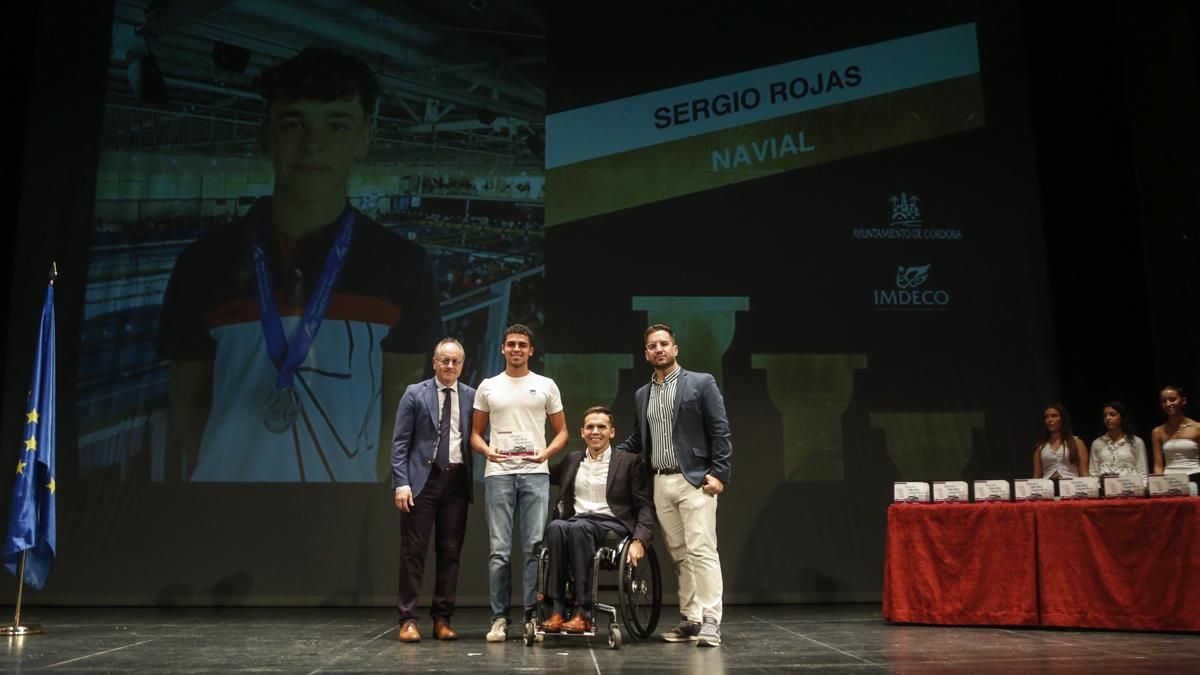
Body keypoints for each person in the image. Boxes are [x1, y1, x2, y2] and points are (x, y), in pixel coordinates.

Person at [156, 47, 443, 482]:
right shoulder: (203, 263)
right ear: (265, 136)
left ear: (364, 138)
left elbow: (400, 406)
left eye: (336, 124)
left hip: (338, 516)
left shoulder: (403, 263)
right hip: (221, 509)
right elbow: (188, 406)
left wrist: (360, 492)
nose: (313, 143)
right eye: (293, 124)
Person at [616, 324, 731, 648]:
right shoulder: (643, 394)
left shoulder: (701, 382)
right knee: (680, 554)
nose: (659, 349)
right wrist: (610, 453)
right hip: (661, 482)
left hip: (694, 480)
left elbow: (720, 430)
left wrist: (720, 473)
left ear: (675, 349)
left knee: (701, 550)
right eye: (652, 346)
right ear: (646, 354)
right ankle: (691, 619)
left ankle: (711, 619)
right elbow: (640, 439)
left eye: (664, 344)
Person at [471, 324, 569, 642]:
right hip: (498, 475)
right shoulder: (487, 386)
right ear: (502, 349)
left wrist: (545, 453)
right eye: (511, 344)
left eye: (522, 345)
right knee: (499, 552)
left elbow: (563, 432)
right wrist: (488, 451)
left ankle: (531, 616)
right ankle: (499, 618)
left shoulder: (545, 385)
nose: (516, 349)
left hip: (535, 475)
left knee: (534, 549)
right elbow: (475, 434)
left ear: (531, 351)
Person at [539, 407, 654, 634]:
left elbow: (644, 506)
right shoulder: (573, 460)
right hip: (576, 523)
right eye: (590, 427)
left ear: (612, 432)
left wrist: (640, 541)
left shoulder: (629, 462)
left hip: (611, 525)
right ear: (582, 432)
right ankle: (557, 610)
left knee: (580, 527)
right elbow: (541, 471)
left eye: (601, 427)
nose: (595, 431)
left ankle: (584, 613)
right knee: (555, 527)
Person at [391, 339, 475, 642]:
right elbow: (400, 443)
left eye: (455, 361)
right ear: (434, 363)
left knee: (450, 552)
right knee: (413, 552)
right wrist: (401, 483)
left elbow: (478, 437)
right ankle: (408, 619)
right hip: (420, 483)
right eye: (444, 360)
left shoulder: (472, 396)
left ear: (462, 365)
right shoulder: (415, 393)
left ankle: (442, 619)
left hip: (456, 482)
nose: (450, 366)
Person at [1151, 386, 1200, 488]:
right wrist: (1158, 485)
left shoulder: (1197, 427)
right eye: (1164, 401)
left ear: (1183, 401)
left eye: (1172, 399)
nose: (1168, 404)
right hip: (1170, 479)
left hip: (1195, 477)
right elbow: (1158, 465)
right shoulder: (1158, 431)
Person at [1089, 401, 1148, 483]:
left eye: (1112, 414)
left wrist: (1142, 490)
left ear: (1122, 417)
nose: (1108, 418)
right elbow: (1093, 474)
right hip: (1105, 491)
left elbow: (1142, 472)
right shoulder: (1097, 443)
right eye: (1105, 415)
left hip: (1130, 489)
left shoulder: (1136, 442)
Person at [1031, 404, 1088, 479]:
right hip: (1048, 488)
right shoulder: (1040, 447)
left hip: (1071, 486)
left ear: (1062, 419)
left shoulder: (1077, 443)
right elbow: (1037, 476)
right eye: (1046, 417)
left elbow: (1084, 474)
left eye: (1054, 416)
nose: (1049, 420)